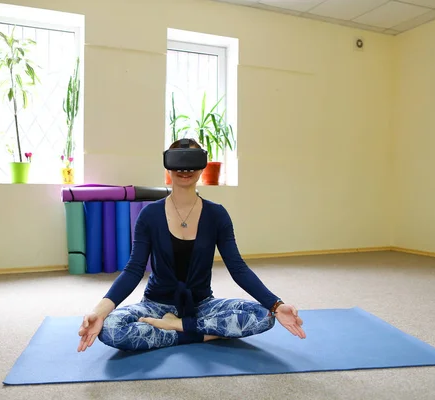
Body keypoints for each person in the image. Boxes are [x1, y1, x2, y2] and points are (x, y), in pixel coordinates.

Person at [77, 139, 305, 352]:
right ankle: (198, 332)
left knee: (262, 315)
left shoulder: (217, 214)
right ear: (168, 165)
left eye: (192, 162)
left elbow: (238, 268)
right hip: (156, 305)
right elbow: (134, 269)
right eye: (179, 162)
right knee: (111, 329)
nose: (185, 170)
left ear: (202, 166)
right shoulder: (150, 215)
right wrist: (99, 312)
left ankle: (177, 327)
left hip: (202, 306)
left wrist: (276, 305)